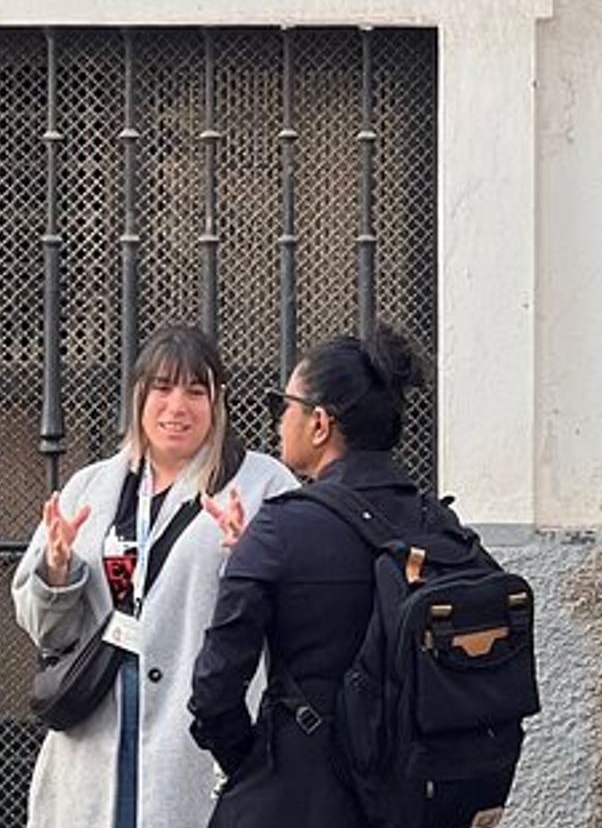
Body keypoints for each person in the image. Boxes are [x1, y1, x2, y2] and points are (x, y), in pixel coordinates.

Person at [12, 325, 298, 828]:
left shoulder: (264, 484)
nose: (176, 407)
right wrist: (56, 569)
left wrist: (245, 556)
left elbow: (298, 616)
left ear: (219, 402)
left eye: (195, 391)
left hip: (195, 733)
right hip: (95, 725)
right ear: (138, 396)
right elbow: (46, 628)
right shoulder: (91, 486)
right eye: (162, 388)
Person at [188, 325, 441, 828]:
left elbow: (214, 692)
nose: (279, 420)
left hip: (298, 794)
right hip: (415, 795)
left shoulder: (281, 530)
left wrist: (254, 764)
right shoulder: (438, 524)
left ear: (320, 424)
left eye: (284, 405)